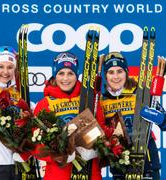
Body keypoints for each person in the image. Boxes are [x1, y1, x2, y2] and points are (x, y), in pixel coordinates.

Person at [33, 52, 105, 180]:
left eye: (70, 73)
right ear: (55, 75)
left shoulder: (90, 99)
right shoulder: (44, 104)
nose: (65, 79)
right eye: (61, 73)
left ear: (76, 75)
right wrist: (58, 155)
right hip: (57, 174)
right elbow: (36, 144)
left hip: (89, 172)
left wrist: (95, 149)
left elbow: (102, 129)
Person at [100, 52, 161, 180]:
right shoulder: (102, 100)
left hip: (146, 162)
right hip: (120, 165)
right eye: (111, 72)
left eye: (119, 71)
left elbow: (165, 123)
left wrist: (158, 117)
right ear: (105, 75)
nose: (116, 76)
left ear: (126, 72)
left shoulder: (140, 94)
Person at [0, 46, 21, 180]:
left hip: (17, 161)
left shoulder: (18, 91)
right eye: (1, 66)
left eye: (10, 67)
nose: (5, 72)